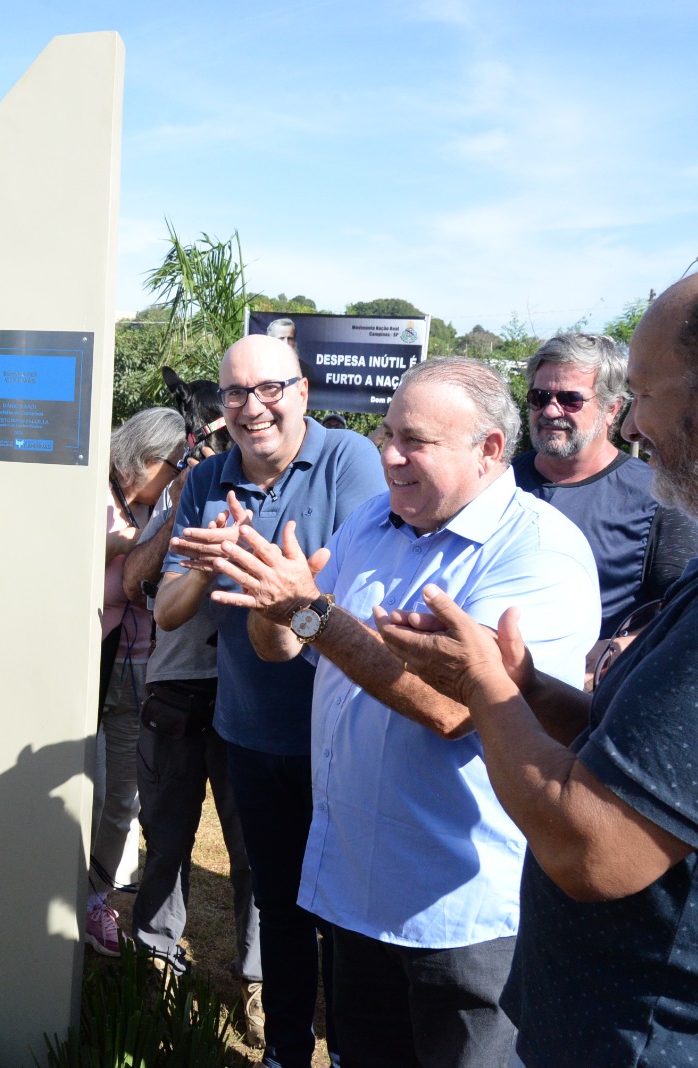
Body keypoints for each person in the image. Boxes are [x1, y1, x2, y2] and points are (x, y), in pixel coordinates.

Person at [378, 254, 698, 1067]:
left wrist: (483, 692)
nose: (634, 426)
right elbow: (659, 762)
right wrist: (532, 693)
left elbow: (593, 850)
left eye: (642, 395)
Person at [200, 357, 600, 1067]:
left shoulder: (537, 552)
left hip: (462, 914)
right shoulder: (371, 525)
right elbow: (283, 646)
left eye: (414, 441)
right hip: (358, 895)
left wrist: (314, 613)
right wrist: (273, 605)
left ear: (488, 451)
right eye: (388, 434)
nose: (388, 454)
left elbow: (457, 708)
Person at [158, 333, 383, 1068]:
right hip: (251, 734)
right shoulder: (209, 477)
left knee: (348, 917)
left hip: (342, 737)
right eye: (235, 394)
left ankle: (349, 1049)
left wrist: (287, 599)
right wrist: (214, 562)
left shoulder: (349, 463)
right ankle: (288, 1050)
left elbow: (357, 604)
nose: (253, 408)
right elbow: (169, 610)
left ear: (304, 391)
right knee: (278, 909)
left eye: (270, 390)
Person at [121, 413, 264, 1047]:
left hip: (250, 693)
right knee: (167, 837)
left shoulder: (278, 503)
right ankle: (156, 959)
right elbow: (135, 582)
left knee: (252, 850)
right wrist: (181, 506)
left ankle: (255, 978)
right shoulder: (191, 495)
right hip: (176, 692)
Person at [511, 333, 698, 664]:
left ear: (612, 409)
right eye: (539, 397)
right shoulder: (498, 484)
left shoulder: (658, 497)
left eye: (571, 400)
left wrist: (606, 657)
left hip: (588, 696)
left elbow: (682, 613)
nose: (551, 410)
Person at [86, 407, 184, 956]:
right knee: (85, 789)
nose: (175, 474)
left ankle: (95, 898)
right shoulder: (89, 489)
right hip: (81, 663)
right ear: (146, 456)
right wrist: (125, 545)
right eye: (171, 464)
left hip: (137, 668)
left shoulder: (164, 503)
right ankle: (54, 888)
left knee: (122, 795)